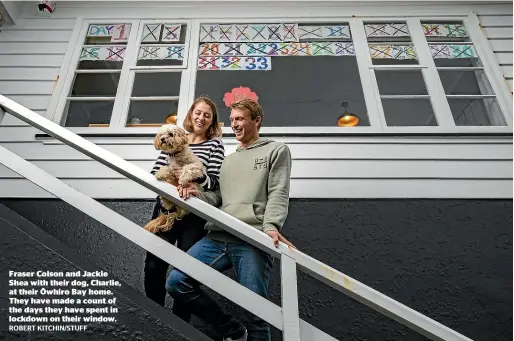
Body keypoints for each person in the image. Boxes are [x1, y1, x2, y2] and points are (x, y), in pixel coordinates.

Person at [166, 98, 295, 341]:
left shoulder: (276, 150)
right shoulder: (229, 159)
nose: (234, 125)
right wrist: (199, 195)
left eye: (240, 119)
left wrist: (271, 226)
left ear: (256, 121)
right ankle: (233, 330)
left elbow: (279, 191)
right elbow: (217, 197)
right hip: (217, 236)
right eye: (232, 120)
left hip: (251, 239)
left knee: (255, 311)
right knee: (177, 282)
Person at [144, 96, 225, 323]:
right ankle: (155, 318)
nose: (201, 118)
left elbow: (215, 181)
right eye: (198, 113)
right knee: (153, 264)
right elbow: (155, 173)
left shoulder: (215, 144)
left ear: (212, 121)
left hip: (193, 213)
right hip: (165, 209)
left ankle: (179, 324)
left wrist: (195, 181)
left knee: (185, 269)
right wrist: (171, 180)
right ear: (191, 115)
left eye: (207, 115)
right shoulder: (174, 139)